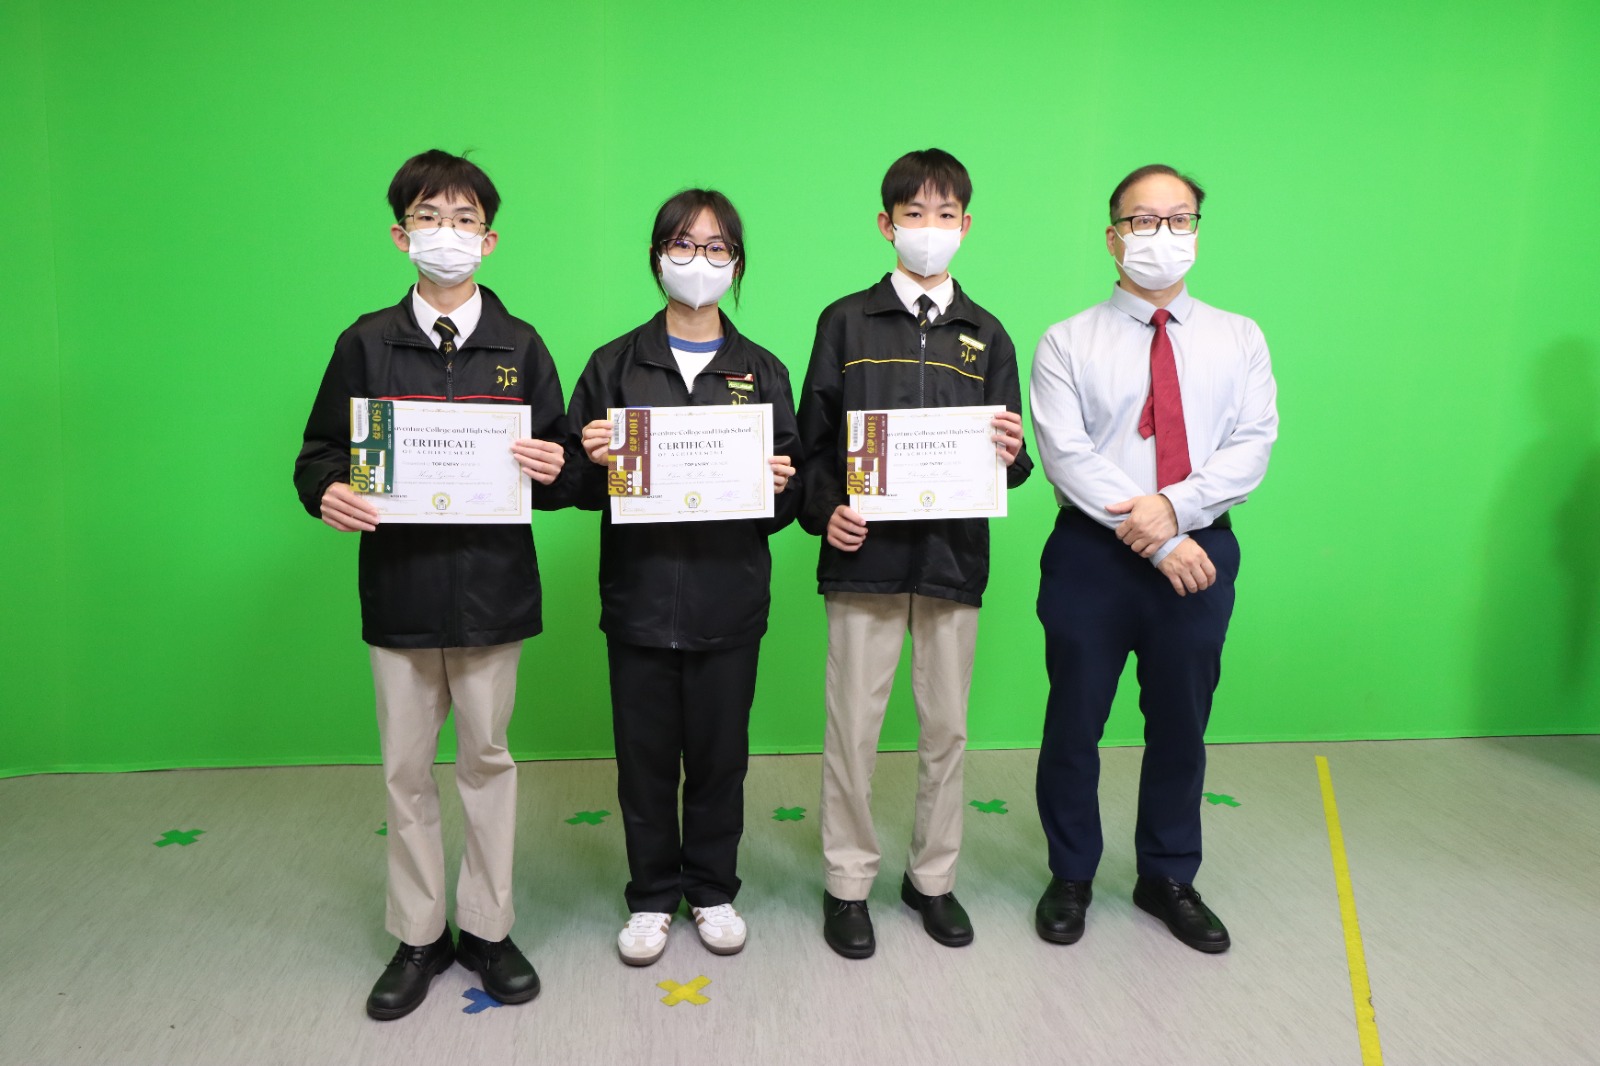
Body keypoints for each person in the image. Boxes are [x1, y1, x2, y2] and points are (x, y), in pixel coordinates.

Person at [293, 149, 566, 1018]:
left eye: (462, 220)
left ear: (489, 240)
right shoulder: (365, 343)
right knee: (405, 772)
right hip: (401, 592)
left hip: (493, 594)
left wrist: (555, 466)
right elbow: (319, 453)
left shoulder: (522, 345)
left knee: (488, 762)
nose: (445, 234)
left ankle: (488, 927)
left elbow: (559, 466)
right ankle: (418, 936)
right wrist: (327, 490)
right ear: (399, 234)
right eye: (428, 218)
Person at [1028, 163, 1278, 954]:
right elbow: (1066, 456)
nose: (1161, 235)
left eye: (1179, 220)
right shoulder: (1066, 341)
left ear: (1197, 232)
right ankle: (1071, 873)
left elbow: (1251, 446)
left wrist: (1179, 514)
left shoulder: (1240, 337)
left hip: (1203, 554)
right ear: (1113, 238)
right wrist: (1160, 535)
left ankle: (1167, 875)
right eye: (1143, 221)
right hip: (1091, 556)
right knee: (1074, 722)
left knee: (1182, 724)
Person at [796, 148, 1031, 959]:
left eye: (945, 215)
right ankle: (847, 884)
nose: (929, 228)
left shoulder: (987, 334)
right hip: (863, 562)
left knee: (947, 731)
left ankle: (932, 879)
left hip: (950, 562)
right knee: (852, 731)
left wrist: (1011, 452)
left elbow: (1013, 464)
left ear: (966, 226)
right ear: (886, 224)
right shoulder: (845, 323)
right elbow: (813, 444)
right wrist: (825, 512)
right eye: (913, 214)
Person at [566, 189, 801, 967]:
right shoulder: (613, 364)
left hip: (729, 599)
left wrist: (779, 484)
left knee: (719, 758)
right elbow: (568, 482)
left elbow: (791, 497)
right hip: (639, 599)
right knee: (642, 762)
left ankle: (711, 888)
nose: (698, 261)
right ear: (657, 256)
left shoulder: (762, 370)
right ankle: (650, 897)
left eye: (716, 247)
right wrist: (591, 459)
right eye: (682, 245)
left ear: (736, 263)